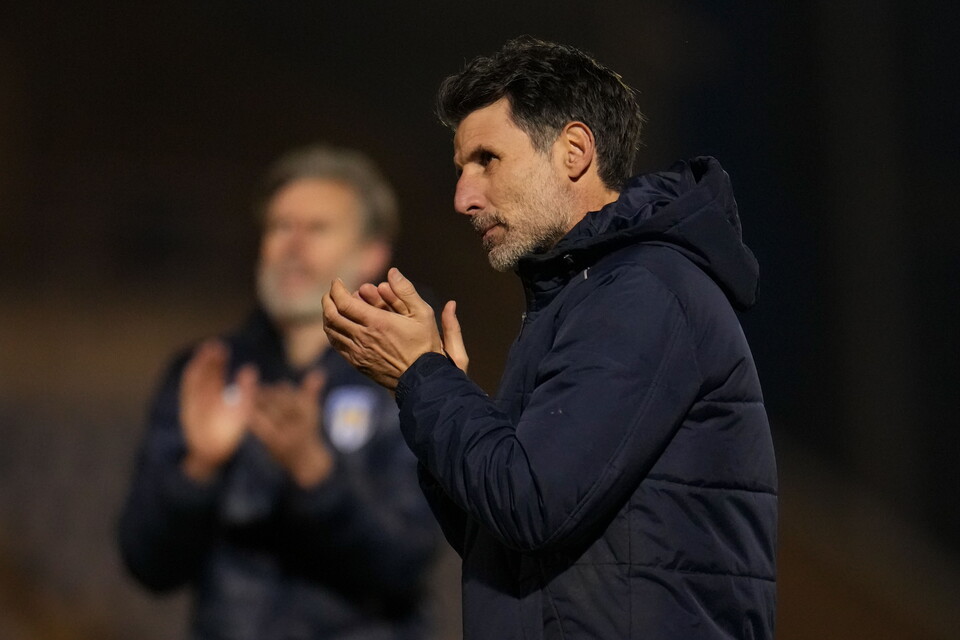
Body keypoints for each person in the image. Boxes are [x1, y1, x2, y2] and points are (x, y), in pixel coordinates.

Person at [321, 37, 778, 640]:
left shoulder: (641, 292)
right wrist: (436, 393)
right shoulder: (582, 297)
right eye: (461, 169)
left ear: (574, 151)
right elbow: (500, 537)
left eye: (487, 159)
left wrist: (423, 378)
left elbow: (530, 505)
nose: (464, 197)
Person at [118, 145, 441, 640]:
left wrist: (316, 475)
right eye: (279, 227)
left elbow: (405, 565)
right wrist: (198, 471)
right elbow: (147, 565)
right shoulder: (208, 373)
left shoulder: (408, 379)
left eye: (316, 229)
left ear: (372, 253)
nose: (293, 245)